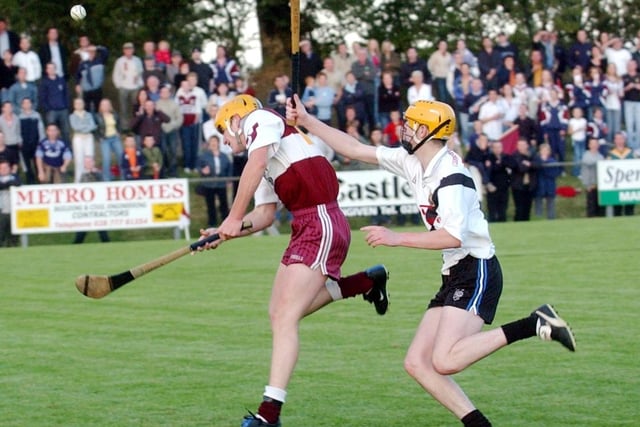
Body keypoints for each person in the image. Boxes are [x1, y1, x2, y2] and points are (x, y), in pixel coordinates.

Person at [287, 95, 575, 427]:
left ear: (427, 130)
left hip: (476, 269)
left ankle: (535, 323)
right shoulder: (414, 161)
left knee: (445, 360)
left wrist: (397, 238)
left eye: (410, 125)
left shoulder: (451, 176)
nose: (404, 129)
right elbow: (354, 149)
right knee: (417, 363)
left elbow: (453, 236)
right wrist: (307, 121)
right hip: (454, 272)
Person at [200, 94, 390, 427]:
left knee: (286, 317)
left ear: (235, 118)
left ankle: (269, 414)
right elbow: (263, 216)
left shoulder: (261, 120)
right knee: (279, 312)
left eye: (223, 133)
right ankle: (366, 281)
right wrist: (223, 231)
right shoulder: (269, 156)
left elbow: (254, 166)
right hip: (304, 226)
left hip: (322, 221)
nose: (227, 143)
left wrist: (232, 216)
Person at [72, 156, 110, 244]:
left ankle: (107, 245)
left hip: (98, 207)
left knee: (102, 230)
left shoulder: (99, 174)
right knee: (81, 231)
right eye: (86, 162)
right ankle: (76, 245)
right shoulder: (83, 175)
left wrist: (95, 173)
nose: (88, 164)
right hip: (86, 208)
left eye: (90, 162)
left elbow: (103, 186)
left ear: (93, 163)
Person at [196, 134, 232, 227]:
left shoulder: (224, 156)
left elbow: (229, 168)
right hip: (209, 184)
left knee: (224, 205)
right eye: (211, 142)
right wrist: (203, 171)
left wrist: (228, 179)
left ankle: (226, 224)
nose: (213, 144)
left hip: (221, 184)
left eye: (215, 142)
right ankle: (212, 224)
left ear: (218, 143)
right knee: (210, 205)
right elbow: (199, 167)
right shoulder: (204, 156)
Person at [112, 42, 144, 125]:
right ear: (123, 51)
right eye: (126, 49)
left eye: (130, 49)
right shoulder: (120, 61)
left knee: (135, 107)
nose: (128, 51)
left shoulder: (137, 60)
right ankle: (124, 127)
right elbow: (116, 74)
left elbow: (141, 71)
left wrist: (139, 82)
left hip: (135, 87)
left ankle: (135, 124)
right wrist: (118, 85)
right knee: (123, 108)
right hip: (124, 87)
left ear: (133, 50)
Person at [155, 84, 183, 178]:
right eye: (162, 92)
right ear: (160, 94)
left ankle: (173, 172)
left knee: (173, 151)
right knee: (162, 151)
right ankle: (163, 172)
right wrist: (162, 126)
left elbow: (179, 118)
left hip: (172, 131)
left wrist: (172, 125)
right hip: (161, 131)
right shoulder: (157, 104)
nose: (164, 93)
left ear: (169, 93)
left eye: (166, 92)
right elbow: (155, 118)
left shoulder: (174, 104)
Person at [39, 62, 70, 143]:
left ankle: (67, 149)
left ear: (55, 69)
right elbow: (42, 97)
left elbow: (66, 94)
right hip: (51, 111)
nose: (51, 70)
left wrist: (66, 106)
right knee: (52, 133)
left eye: (53, 68)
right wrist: (47, 108)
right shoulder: (44, 82)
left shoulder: (61, 80)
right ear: (47, 70)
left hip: (63, 110)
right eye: (49, 68)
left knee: (66, 131)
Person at [94, 98, 123, 181]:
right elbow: (95, 130)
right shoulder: (97, 116)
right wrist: (99, 138)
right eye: (103, 105)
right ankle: (106, 179)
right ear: (101, 106)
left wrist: (119, 132)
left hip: (115, 138)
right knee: (106, 159)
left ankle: (123, 176)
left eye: (107, 104)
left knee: (121, 156)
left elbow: (119, 125)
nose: (105, 106)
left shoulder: (115, 114)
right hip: (105, 139)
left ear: (110, 106)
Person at [607, 131, 635, 216]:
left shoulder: (631, 153)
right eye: (617, 139)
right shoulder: (610, 154)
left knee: (629, 208)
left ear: (624, 140)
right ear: (614, 140)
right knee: (617, 208)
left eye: (621, 138)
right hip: (616, 184)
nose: (619, 140)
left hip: (629, 183)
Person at [69, 97, 97, 182]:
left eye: (81, 103)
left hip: (88, 138)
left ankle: (89, 179)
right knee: (79, 160)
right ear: (74, 105)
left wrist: (84, 129)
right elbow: (75, 127)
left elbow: (93, 125)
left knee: (89, 159)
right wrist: (86, 127)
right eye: (77, 103)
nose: (79, 105)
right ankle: (78, 180)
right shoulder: (72, 116)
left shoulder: (88, 114)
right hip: (78, 138)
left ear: (84, 104)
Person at [75, 44, 108, 113]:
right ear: (87, 53)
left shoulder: (100, 61)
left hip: (97, 89)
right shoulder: (82, 64)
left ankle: (97, 123)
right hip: (86, 90)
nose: (91, 53)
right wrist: (77, 84)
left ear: (95, 52)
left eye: (93, 52)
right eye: (89, 52)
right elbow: (78, 75)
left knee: (98, 108)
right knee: (86, 109)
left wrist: (96, 47)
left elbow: (105, 51)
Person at [18, 97, 44, 184]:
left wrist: (41, 142)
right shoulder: (19, 117)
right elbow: (18, 130)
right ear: (22, 105)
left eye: (28, 102)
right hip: (24, 144)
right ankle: (30, 181)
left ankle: (40, 181)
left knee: (37, 163)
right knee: (27, 165)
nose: (27, 104)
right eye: (25, 103)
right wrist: (20, 141)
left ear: (31, 104)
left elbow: (41, 129)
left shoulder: (37, 115)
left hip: (35, 143)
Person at [510, 138, 537, 221]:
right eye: (520, 145)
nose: (521, 147)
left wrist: (529, 164)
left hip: (529, 185)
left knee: (527, 206)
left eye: (523, 145)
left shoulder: (532, 155)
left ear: (527, 146)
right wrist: (529, 164)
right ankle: (517, 222)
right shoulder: (514, 156)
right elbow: (521, 168)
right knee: (519, 207)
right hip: (518, 185)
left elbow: (538, 164)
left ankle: (526, 222)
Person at [534, 143, 562, 219]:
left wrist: (544, 166)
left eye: (546, 150)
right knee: (538, 205)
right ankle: (538, 220)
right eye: (543, 150)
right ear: (540, 151)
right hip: (539, 186)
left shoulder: (553, 161)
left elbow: (555, 173)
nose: (544, 151)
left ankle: (551, 220)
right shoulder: (536, 161)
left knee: (551, 205)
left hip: (550, 186)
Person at [486, 140, 512, 222]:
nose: (497, 149)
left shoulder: (506, 157)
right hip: (492, 186)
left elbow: (512, 165)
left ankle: (502, 222)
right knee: (492, 208)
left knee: (503, 207)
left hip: (504, 186)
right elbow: (492, 169)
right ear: (492, 148)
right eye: (495, 147)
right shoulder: (488, 157)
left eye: (499, 147)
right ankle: (492, 223)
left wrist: (501, 164)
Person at [580, 137, 605, 217]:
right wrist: (587, 185)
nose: (594, 145)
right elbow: (588, 167)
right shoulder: (586, 155)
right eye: (592, 144)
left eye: (596, 144)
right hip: (590, 186)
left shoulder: (601, 156)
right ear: (589, 145)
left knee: (600, 208)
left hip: (600, 186)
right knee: (591, 207)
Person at [0, 158, 20, 247]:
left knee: (14, 233)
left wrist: (9, 183)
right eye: (1, 168)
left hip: (14, 210)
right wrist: (8, 184)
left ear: (10, 168)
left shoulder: (15, 177)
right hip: (2, 211)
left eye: (5, 167)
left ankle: (13, 247)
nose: (4, 170)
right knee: (1, 231)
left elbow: (18, 184)